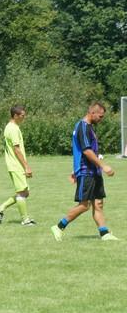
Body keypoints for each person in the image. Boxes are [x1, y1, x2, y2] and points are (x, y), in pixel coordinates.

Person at [51, 102, 118, 241]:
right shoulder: (82, 127)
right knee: (84, 205)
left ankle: (104, 233)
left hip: (94, 171)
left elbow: (82, 151)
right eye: (100, 116)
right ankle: (58, 226)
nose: (101, 119)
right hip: (86, 171)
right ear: (92, 113)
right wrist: (103, 166)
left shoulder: (89, 127)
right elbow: (86, 151)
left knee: (98, 203)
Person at [0, 105, 35, 226]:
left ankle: (0, 209)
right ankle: (25, 220)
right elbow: (16, 149)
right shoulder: (13, 129)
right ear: (15, 116)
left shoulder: (11, 127)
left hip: (15, 164)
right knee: (22, 192)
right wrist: (26, 166)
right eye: (22, 115)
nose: (24, 117)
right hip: (16, 165)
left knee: (25, 192)